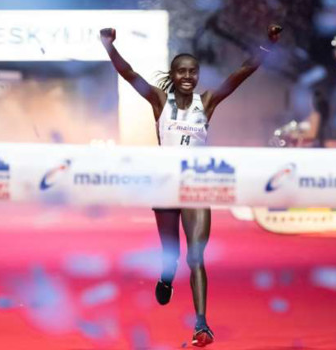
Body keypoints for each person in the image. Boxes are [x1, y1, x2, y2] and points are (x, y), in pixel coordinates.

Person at [100, 24, 282, 347]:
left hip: (196, 185)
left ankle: (201, 325)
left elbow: (242, 72)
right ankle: (166, 276)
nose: (187, 76)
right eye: (181, 71)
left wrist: (267, 44)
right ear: (173, 74)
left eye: (192, 71)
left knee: (196, 256)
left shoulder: (207, 102)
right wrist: (109, 46)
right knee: (171, 255)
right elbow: (128, 74)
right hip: (165, 186)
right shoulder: (159, 100)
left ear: (197, 75)